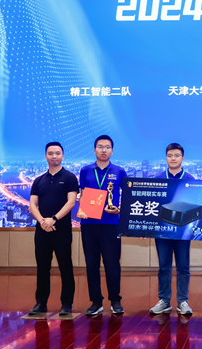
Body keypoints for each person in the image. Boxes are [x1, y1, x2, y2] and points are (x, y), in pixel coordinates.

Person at [77, 135, 128, 316]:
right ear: (94, 150)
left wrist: (119, 209)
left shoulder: (119, 171)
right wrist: (82, 209)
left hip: (111, 223)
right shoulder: (85, 170)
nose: (103, 150)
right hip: (89, 223)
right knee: (91, 263)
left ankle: (115, 300)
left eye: (107, 147)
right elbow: (82, 194)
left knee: (112, 263)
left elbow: (127, 196)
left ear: (112, 151)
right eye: (100, 146)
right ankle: (96, 301)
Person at [28, 142, 79, 316]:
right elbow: (33, 205)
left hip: (62, 229)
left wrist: (54, 219)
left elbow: (71, 202)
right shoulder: (38, 180)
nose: (54, 156)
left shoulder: (70, 177)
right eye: (51, 153)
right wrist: (43, 221)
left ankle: (67, 303)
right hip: (42, 229)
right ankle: (41, 303)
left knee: (65, 266)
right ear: (46, 156)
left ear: (63, 156)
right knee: (42, 267)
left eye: (57, 153)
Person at [149, 143, 195, 316]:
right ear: (166, 158)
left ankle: (183, 301)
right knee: (164, 267)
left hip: (183, 231)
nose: (173, 158)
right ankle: (164, 300)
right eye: (170, 155)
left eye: (176, 155)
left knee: (183, 267)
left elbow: (196, 204)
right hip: (162, 231)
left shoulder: (190, 179)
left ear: (182, 158)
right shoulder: (158, 178)